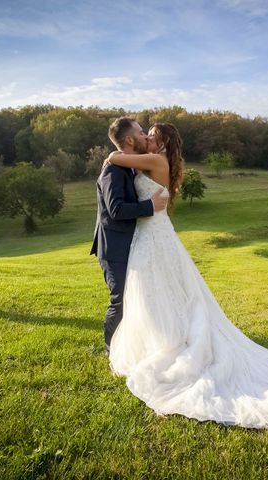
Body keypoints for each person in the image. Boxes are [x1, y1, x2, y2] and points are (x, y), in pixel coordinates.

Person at [102, 122, 268, 429]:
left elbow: (117, 159)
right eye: (144, 134)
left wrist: (112, 155)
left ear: (162, 144)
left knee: (164, 292)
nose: (146, 138)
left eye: (151, 135)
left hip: (155, 237)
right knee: (158, 294)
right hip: (149, 237)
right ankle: (163, 340)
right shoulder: (149, 161)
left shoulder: (155, 160)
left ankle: (176, 344)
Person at [90, 117, 169, 355]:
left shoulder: (129, 166)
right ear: (129, 139)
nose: (146, 135)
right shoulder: (112, 170)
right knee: (121, 301)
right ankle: (110, 351)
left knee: (137, 298)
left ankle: (135, 346)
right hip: (114, 248)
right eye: (142, 132)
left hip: (131, 245)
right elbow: (116, 210)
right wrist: (150, 206)